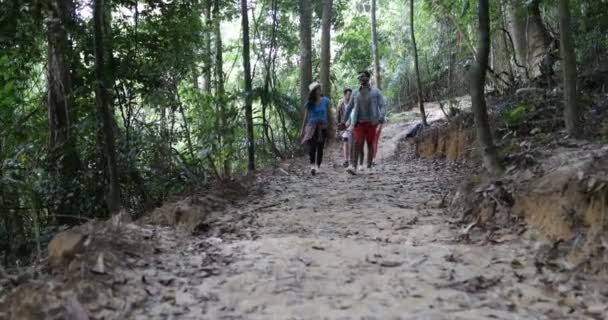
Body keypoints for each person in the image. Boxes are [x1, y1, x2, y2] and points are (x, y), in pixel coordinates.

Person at [340, 71, 386, 175]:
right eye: (359, 77)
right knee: (357, 144)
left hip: (372, 122)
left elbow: (382, 105)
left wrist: (381, 117)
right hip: (359, 123)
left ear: (368, 78)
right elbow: (349, 108)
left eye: (363, 76)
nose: (360, 78)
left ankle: (369, 166)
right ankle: (354, 167)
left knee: (370, 144)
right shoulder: (355, 93)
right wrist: (344, 121)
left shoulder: (376, 92)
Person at [300, 82, 333, 176]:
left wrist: (332, 126)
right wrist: (302, 129)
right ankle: (312, 166)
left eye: (320, 88)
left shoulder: (326, 101)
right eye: (317, 89)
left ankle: (318, 166)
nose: (319, 90)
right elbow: (306, 116)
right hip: (311, 127)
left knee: (320, 147)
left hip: (323, 127)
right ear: (314, 91)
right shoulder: (309, 103)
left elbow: (330, 114)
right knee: (312, 147)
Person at [337, 89, 353, 167]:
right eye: (348, 94)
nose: (349, 96)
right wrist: (338, 126)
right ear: (345, 95)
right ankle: (346, 160)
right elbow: (338, 115)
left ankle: (351, 160)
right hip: (344, 126)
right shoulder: (341, 104)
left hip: (352, 125)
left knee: (351, 143)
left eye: (350, 94)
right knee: (345, 142)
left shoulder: (353, 103)